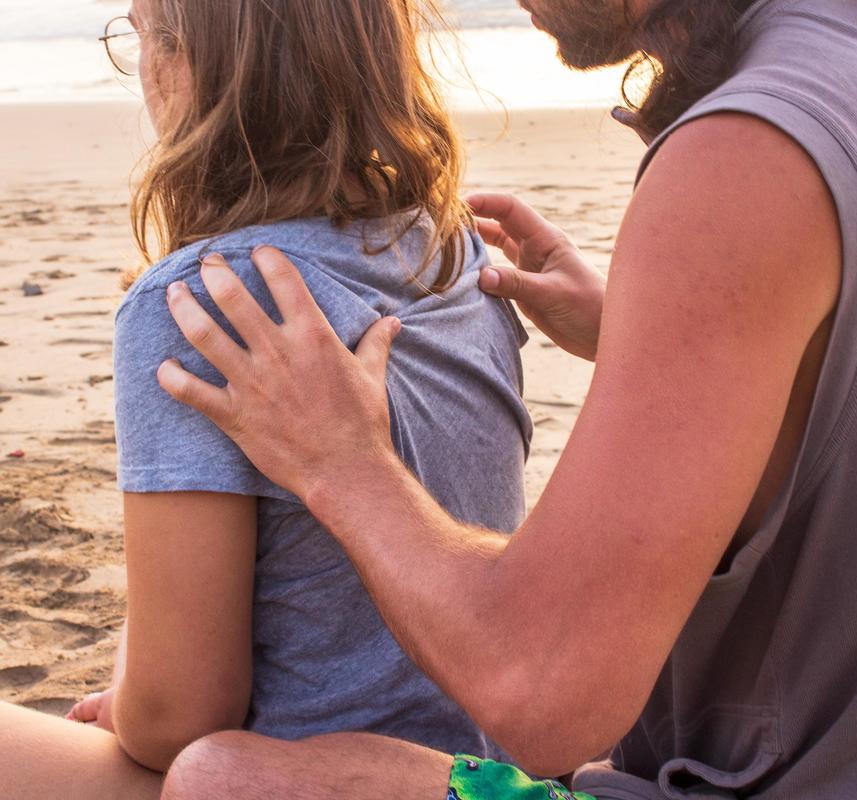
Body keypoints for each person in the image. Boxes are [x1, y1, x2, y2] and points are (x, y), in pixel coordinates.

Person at [152, 0, 857, 796]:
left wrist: (340, 462)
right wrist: (651, 335)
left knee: (226, 778)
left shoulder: (748, 150)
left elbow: (542, 697)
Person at [0, 0, 532, 796]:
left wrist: (138, 693)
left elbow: (180, 716)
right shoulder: (454, 247)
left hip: (296, 775)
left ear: (185, 65)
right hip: (487, 767)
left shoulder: (202, 300)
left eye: (138, 36)